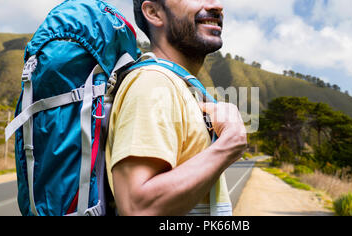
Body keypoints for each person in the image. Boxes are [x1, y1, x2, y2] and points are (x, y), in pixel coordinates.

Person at [105, 0, 247, 216]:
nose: (217, 5)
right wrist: (229, 144)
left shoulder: (179, 86)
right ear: (153, 12)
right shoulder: (153, 82)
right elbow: (137, 208)